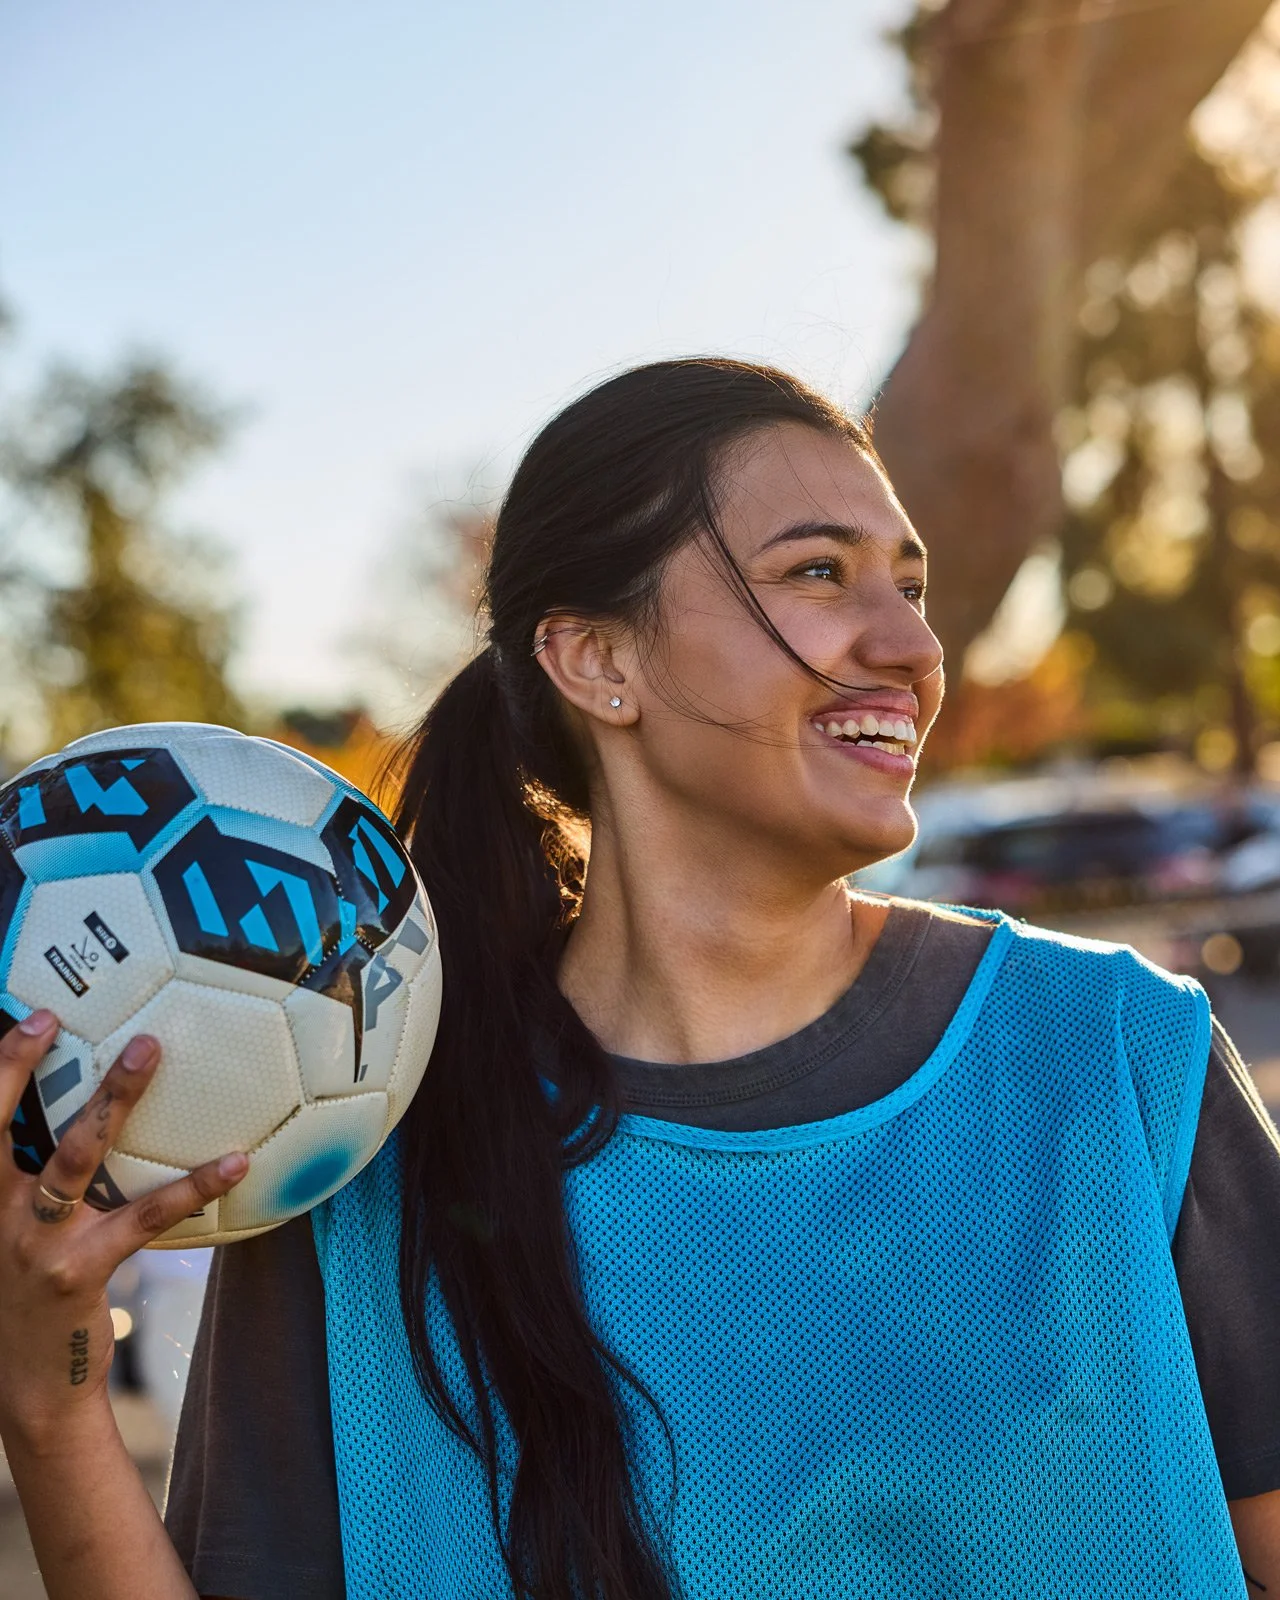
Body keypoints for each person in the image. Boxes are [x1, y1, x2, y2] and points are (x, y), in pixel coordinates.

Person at [3, 357, 1280, 1599]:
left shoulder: (1121, 1060)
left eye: (910, 584)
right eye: (818, 572)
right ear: (595, 661)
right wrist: (51, 1406)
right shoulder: (352, 1155)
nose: (907, 644)